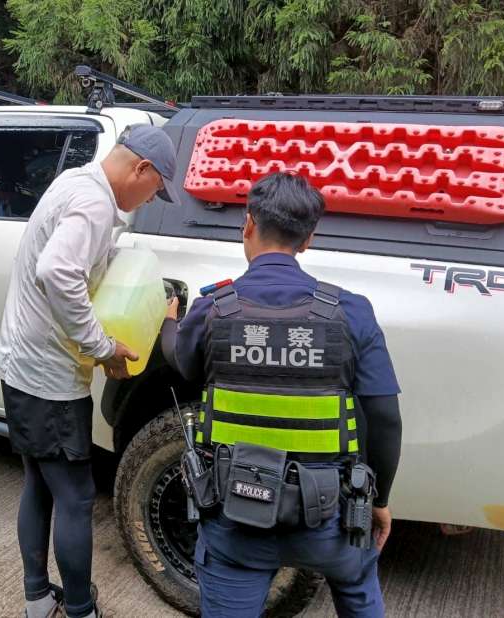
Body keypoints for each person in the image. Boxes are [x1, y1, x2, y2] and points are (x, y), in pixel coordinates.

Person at [162, 172, 402, 618]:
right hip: (332, 522)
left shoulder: (214, 307)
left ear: (247, 224)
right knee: (358, 586)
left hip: (236, 524)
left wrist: (170, 321)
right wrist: (380, 502)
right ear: (308, 239)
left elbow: (184, 363)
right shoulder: (350, 311)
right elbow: (385, 418)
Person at [0, 125, 178, 618]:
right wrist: (102, 347)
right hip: (48, 378)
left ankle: (37, 599)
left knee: (39, 483)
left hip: (22, 364)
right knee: (75, 498)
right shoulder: (95, 204)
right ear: (140, 168)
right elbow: (57, 271)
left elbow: (79, 261)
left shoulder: (77, 181)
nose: (151, 197)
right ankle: (79, 609)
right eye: (155, 187)